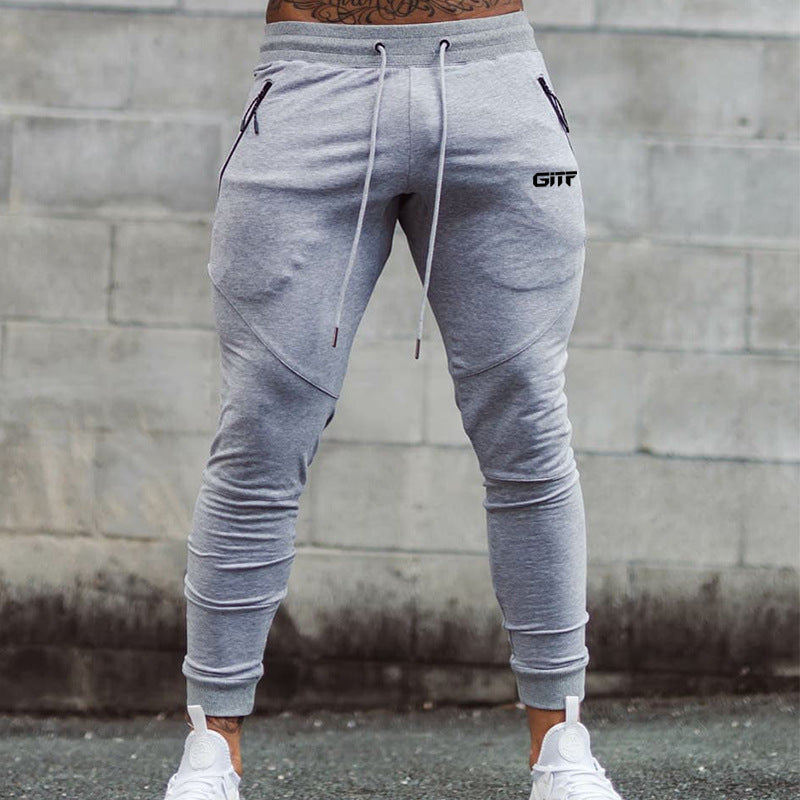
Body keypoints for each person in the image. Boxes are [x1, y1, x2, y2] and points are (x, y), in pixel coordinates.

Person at [162, 2, 625, 799]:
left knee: (528, 422)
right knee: (260, 429)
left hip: (493, 83)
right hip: (312, 81)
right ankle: (212, 751)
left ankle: (562, 748)